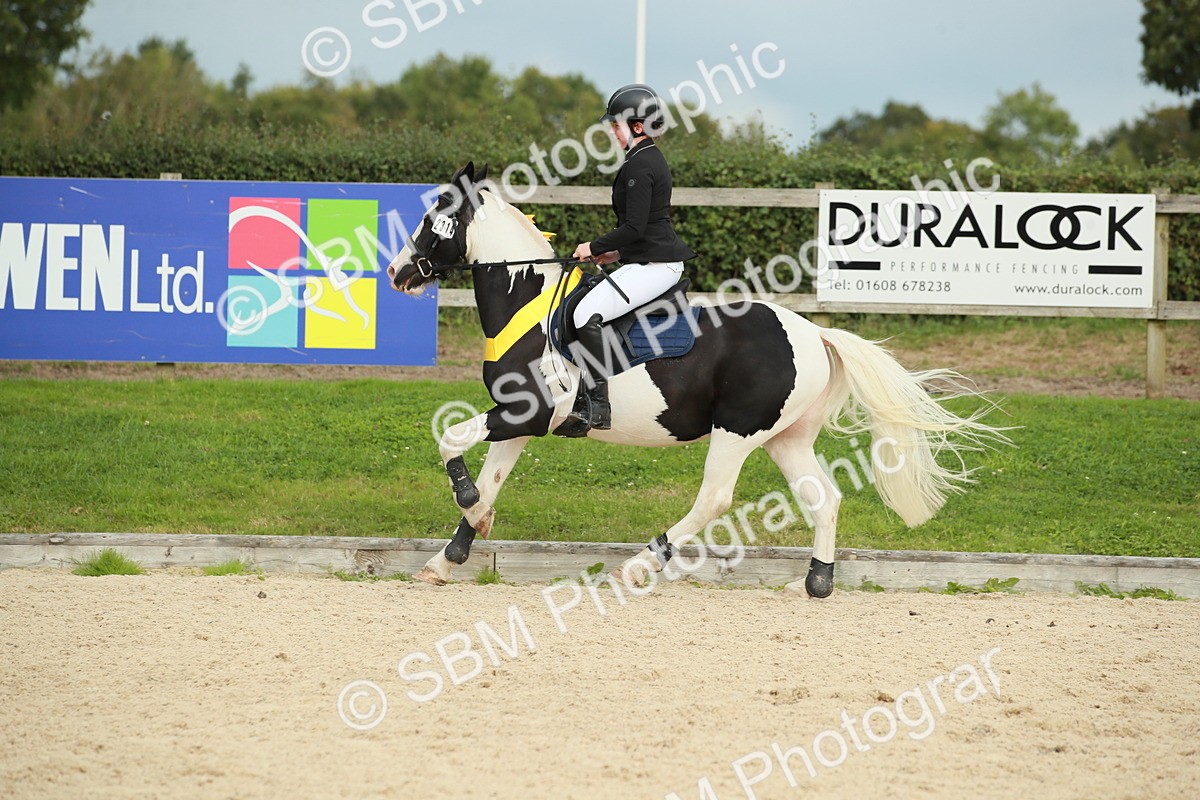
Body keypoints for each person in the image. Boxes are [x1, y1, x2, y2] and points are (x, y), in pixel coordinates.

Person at [570, 83, 697, 431]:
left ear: (637, 126)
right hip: (647, 259)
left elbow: (636, 226)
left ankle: (597, 407)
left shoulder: (641, 165)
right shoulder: (642, 158)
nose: (611, 130)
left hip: (657, 267)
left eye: (616, 124)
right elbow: (644, 228)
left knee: (585, 314)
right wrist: (616, 252)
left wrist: (593, 247)